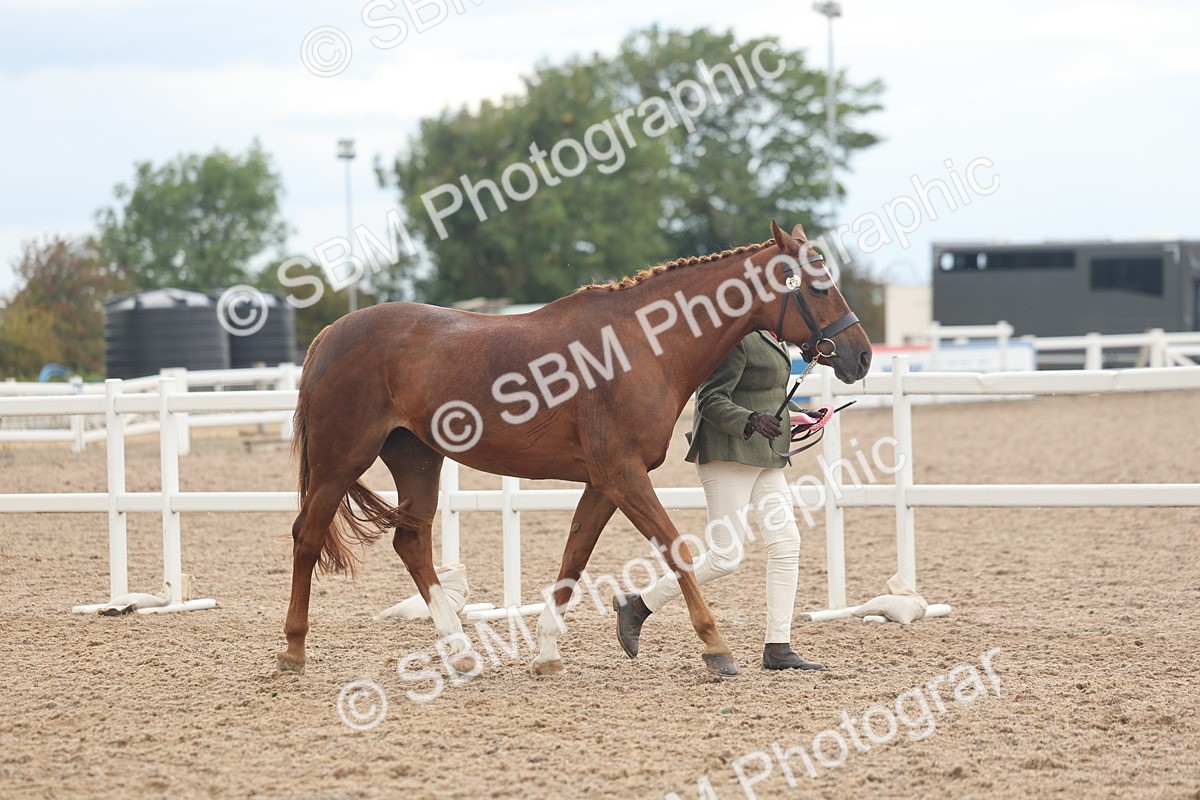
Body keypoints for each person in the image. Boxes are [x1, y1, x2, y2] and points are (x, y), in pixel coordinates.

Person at [615, 330, 825, 670]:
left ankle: (778, 647)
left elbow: (766, 392)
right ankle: (639, 605)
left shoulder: (771, 336)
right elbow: (710, 399)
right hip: (727, 454)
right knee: (726, 557)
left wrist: (799, 416)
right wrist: (751, 420)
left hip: (764, 456)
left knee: (787, 544)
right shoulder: (736, 337)